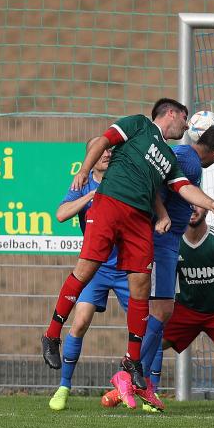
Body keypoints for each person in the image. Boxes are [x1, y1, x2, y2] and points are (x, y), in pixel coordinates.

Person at [40, 98, 214, 408]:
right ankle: (51, 335)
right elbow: (103, 140)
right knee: (86, 270)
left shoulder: (169, 157)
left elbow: (178, 187)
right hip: (110, 205)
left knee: (141, 285)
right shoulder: (138, 124)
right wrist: (84, 171)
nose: (186, 125)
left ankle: (132, 362)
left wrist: (210, 203)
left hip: (139, 220)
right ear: (172, 113)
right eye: (184, 118)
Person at [103, 206, 214, 411]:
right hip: (185, 310)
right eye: (188, 204)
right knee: (148, 339)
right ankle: (126, 387)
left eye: (198, 204)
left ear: (207, 210)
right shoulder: (172, 242)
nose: (193, 208)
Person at [133, 125, 214, 411]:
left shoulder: (186, 158)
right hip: (158, 241)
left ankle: (141, 381)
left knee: (162, 312)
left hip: (167, 242)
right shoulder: (187, 159)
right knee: (156, 312)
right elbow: (153, 182)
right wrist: (161, 214)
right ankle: (130, 372)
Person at [47, 140, 131, 411]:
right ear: (90, 157)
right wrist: (89, 197)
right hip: (96, 267)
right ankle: (63, 387)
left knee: (148, 328)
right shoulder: (82, 185)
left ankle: (141, 387)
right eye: (101, 150)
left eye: (110, 150)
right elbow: (60, 214)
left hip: (128, 267)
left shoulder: (123, 182)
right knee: (80, 321)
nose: (107, 153)